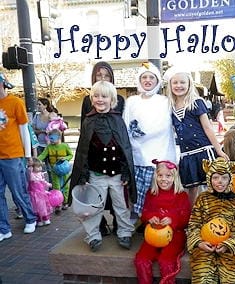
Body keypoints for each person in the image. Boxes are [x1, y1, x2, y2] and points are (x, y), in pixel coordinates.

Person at [69, 80, 136, 252]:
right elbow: (83, 151)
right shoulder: (88, 121)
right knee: (94, 207)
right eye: (96, 96)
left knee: (121, 205)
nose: (100, 99)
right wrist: (83, 175)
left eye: (104, 96)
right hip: (96, 174)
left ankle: (125, 232)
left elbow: (125, 148)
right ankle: (93, 236)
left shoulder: (118, 120)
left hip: (117, 176)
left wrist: (126, 173)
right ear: (92, 99)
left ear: (112, 99)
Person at [164, 66, 229, 205]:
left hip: (203, 150)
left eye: (182, 82)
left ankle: (218, 213)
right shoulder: (170, 107)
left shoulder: (196, 103)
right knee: (190, 189)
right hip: (186, 154)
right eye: (175, 82)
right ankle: (193, 217)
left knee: (212, 185)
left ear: (189, 84)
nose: (179, 86)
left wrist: (218, 150)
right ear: (170, 85)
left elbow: (208, 128)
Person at [123, 62, 177, 221]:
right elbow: (126, 124)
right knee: (138, 194)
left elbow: (165, 125)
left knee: (157, 193)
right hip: (137, 154)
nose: (147, 80)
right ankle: (138, 221)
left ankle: (156, 221)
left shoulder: (165, 101)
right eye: (144, 77)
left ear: (157, 80)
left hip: (159, 155)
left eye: (151, 77)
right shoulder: (132, 101)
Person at [187, 157, 235, 283]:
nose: (220, 182)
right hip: (205, 246)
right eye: (215, 178)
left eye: (224, 177)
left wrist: (228, 245)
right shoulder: (202, 199)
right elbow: (194, 224)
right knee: (202, 276)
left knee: (233, 278)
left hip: (228, 248)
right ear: (209, 179)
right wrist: (199, 243)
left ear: (230, 179)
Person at [81, 61, 124, 236]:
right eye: (99, 75)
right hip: (96, 158)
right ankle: (98, 227)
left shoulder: (119, 100)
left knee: (119, 199)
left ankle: (121, 227)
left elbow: (121, 129)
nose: (103, 78)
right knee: (97, 197)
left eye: (106, 75)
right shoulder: (87, 100)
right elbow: (85, 128)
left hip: (114, 159)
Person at [134, 159, 191, 284]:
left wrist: (172, 219)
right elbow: (144, 213)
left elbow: (186, 219)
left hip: (174, 236)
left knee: (166, 261)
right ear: (155, 177)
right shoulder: (152, 193)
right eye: (160, 175)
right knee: (141, 260)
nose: (163, 179)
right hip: (153, 235)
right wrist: (150, 217)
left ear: (174, 177)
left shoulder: (181, 195)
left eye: (168, 176)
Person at [0, 72, 37, 241]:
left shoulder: (15, 102)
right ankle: (3, 228)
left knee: (18, 190)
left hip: (13, 155)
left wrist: (28, 154)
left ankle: (30, 218)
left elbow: (24, 129)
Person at [38, 128, 73, 212]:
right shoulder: (49, 147)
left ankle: (65, 201)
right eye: (50, 138)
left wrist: (65, 158)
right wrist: (36, 160)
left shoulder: (65, 146)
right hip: (54, 170)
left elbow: (70, 155)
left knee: (65, 186)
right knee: (56, 186)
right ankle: (58, 203)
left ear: (58, 137)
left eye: (52, 138)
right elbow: (43, 155)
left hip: (64, 169)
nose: (51, 140)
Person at [27, 158, 53, 227]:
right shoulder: (31, 174)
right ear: (32, 167)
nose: (40, 168)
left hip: (41, 194)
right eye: (38, 167)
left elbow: (43, 181)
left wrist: (48, 184)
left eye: (40, 166)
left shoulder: (41, 174)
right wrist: (30, 169)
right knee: (36, 208)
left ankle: (46, 219)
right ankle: (39, 220)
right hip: (34, 195)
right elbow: (32, 179)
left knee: (43, 206)